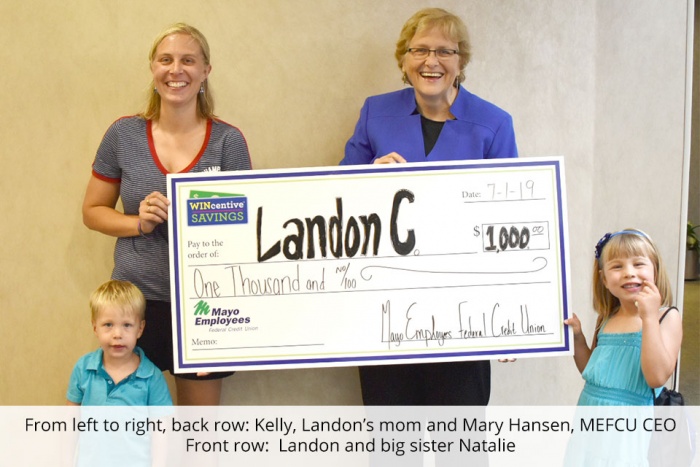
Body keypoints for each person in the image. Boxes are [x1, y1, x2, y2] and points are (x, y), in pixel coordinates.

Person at [340, 7, 518, 407]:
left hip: (462, 312)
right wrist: (368, 174)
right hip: (385, 307)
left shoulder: (494, 123)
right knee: (392, 442)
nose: (431, 61)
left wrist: (509, 316)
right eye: (420, 50)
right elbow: (338, 197)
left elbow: (511, 223)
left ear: (461, 62)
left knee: (459, 443)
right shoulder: (375, 112)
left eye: (444, 52)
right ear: (404, 60)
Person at [82, 23, 251, 405]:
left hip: (205, 305)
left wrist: (224, 327)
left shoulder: (228, 141)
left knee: (197, 434)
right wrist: (138, 223)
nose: (176, 70)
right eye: (166, 60)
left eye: (188, 60)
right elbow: (92, 212)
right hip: (135, 306)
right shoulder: (123, 135)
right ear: (153, 68)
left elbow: (245, 231)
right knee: (131, 431)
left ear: (206, 70)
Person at [564, 229, 683, 405]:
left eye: (638, 264)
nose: (628, 273)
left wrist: (649, 317)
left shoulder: (666, 317)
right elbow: (592, 371)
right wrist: (577, 339)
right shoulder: (605, 319)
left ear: (655, 272)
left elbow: (656, 378)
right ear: (604, 279)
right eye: (617, 266)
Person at [66, 279, 172, 406]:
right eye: (108, 324)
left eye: (127, 325)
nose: (117, 335)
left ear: (140, 329)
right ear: (95, 328)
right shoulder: (83, 368)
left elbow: (163, 423)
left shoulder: (153, 377)